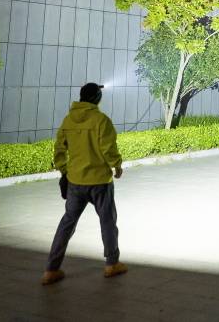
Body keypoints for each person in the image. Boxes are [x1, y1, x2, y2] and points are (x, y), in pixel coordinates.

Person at [42, 82, 127, 285]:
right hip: (99, 182)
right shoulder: (101, 120)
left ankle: (51, 269)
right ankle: (111, 264)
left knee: (67, 223)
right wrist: (117, 166)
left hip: (75, 181)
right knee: (107, 221)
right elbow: (108, 148)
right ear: (97, 97)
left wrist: (65, 170)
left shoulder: (68, 120)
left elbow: (59, 149)